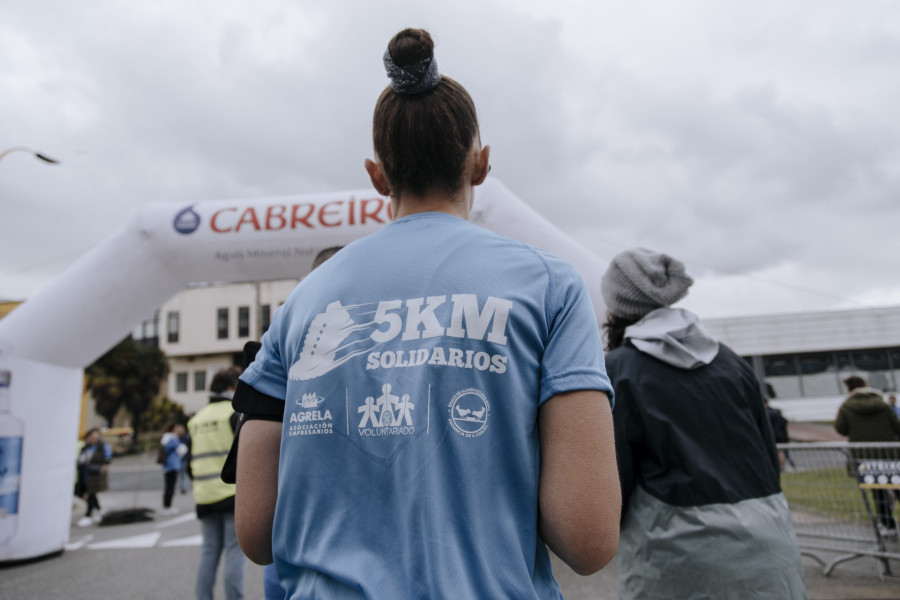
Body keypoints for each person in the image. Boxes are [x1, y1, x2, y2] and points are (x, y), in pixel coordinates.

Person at [232, 27, 620, 598]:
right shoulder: (550, 287)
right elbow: (588, 540)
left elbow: (256, 532)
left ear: (378, 175)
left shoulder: (302, 304)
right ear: (480, 164)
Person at [601, 248, 807, 600]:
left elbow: (615, 477)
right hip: (769, 538)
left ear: (617, 305)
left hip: (675, 550)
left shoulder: (619, 369)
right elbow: (767, 456)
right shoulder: (730, 361)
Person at [188, 366, 246, 600]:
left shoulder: (196, 419)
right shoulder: (233, 414)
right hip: (230, 494)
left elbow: (188, 463)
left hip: (204, 495)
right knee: (234, 551)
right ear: (231, 387)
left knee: (209, 552)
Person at [834, 375, 900, 537]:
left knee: (878, 491)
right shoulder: (882, 404)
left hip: (864, 455)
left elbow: (841, 428)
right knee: (897, 486)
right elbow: (897, 426)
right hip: (888, 453)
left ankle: (887, 524)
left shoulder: (847, 406)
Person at [75, 428, 112, 527]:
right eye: (91, 437)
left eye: (95, 437)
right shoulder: (85, 447)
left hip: (95, 474)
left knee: (91, 493)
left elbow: (107, 459)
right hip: (85, 473)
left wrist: (103, 467)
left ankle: (88, 515)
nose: (93, 439)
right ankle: (99, 510)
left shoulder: (102, 446)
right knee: (87, 493)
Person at [159, 421, 188, 516]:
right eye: (176, 428)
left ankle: (166, 505)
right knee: (170, 487)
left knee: (168, 486)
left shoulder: (165, 438)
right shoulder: (172, 438)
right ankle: (168, 507)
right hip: (173, 464)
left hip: (166, 465)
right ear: (173, 429)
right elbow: (182, 449)